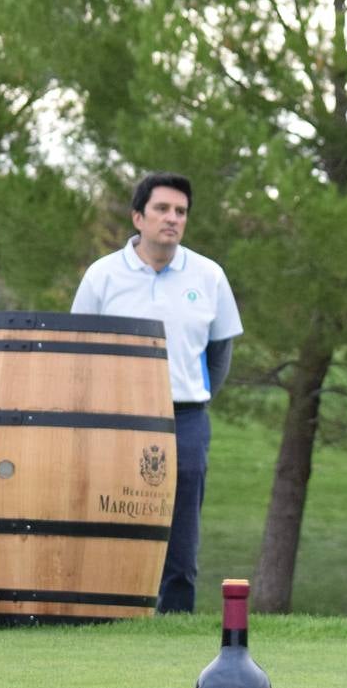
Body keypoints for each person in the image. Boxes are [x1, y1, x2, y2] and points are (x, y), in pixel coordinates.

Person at [73, 173, 243, 614]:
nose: (172, 219)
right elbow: (79, 351)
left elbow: (220, 354)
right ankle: (109, 614)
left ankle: (176, 618)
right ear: (138, 217)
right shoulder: (102, 276)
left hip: (185, 418)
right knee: (110, 516)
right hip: (113, 420)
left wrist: (194, 394)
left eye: (180, 212)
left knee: (181, 532)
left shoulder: (209, 275)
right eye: (162, 209)